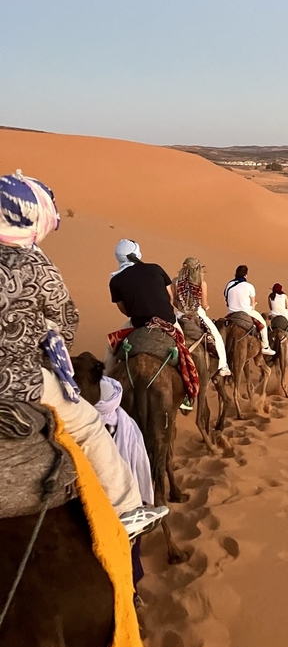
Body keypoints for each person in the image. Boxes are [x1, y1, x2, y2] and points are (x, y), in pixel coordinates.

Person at [0, 171, 167, 540]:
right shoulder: (35, 265)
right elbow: (65, 320)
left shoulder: (116, 277)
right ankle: (127, 508)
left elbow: (122, 305)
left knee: (112, 354)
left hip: (133, 327)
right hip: (19, 380)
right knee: (89, 427)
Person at [109, 240, 199, 411]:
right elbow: (170, 297)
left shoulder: (116, 280)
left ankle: (107, 392)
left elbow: (124, 310)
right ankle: (188, 394)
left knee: (111, 350)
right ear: (136, 253)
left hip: (138, 324)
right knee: (183, 350)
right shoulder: (155, 268)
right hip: (168, 321)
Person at [172, 257, 232, 376]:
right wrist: (205, 307)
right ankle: (223, 366)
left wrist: (183, 307)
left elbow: (174, 302)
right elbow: (204, 304)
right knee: (217, 338)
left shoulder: (175, 281)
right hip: (197, 313)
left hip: (180, 314)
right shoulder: (201, 283)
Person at [224, 265, 275, 355]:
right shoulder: (249, 286)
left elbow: (226, 297)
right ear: (246, 275)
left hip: (230, 313)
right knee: (263, 324)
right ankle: (265, 346)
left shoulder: (229, 284)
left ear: (235, 274)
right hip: (246, 311)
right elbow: (252, 303)